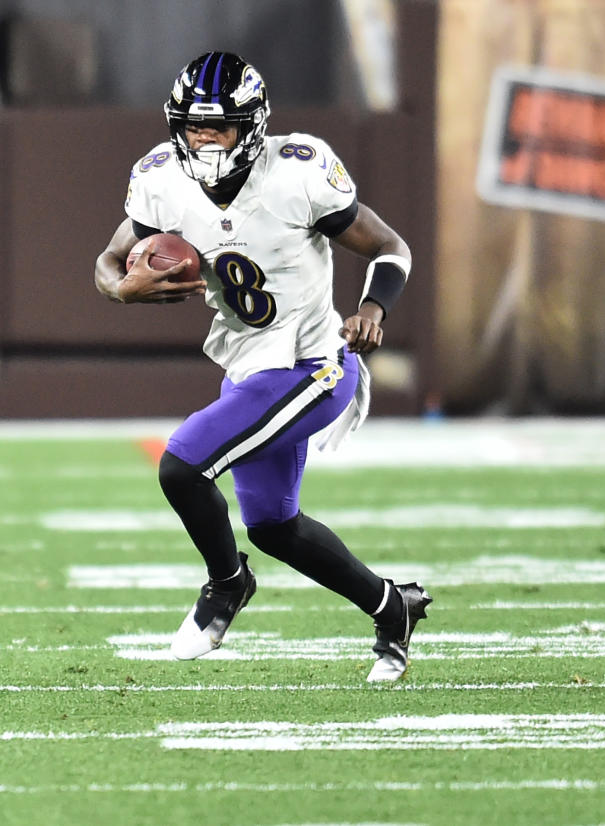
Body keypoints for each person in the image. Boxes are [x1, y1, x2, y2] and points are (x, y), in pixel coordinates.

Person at [93, 52, 431, 683]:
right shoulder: (161, 180)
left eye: (217, 126)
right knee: (274, 526)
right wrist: (123, 290)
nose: (202, 138)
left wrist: (372, 307)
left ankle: (226, 584)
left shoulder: (297, 172)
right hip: (251, 368)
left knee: (182, 465)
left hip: (315, 363)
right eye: (193, 125)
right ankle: (394, 607)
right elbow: (109, 262)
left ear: (251, 126)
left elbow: (391, 246)